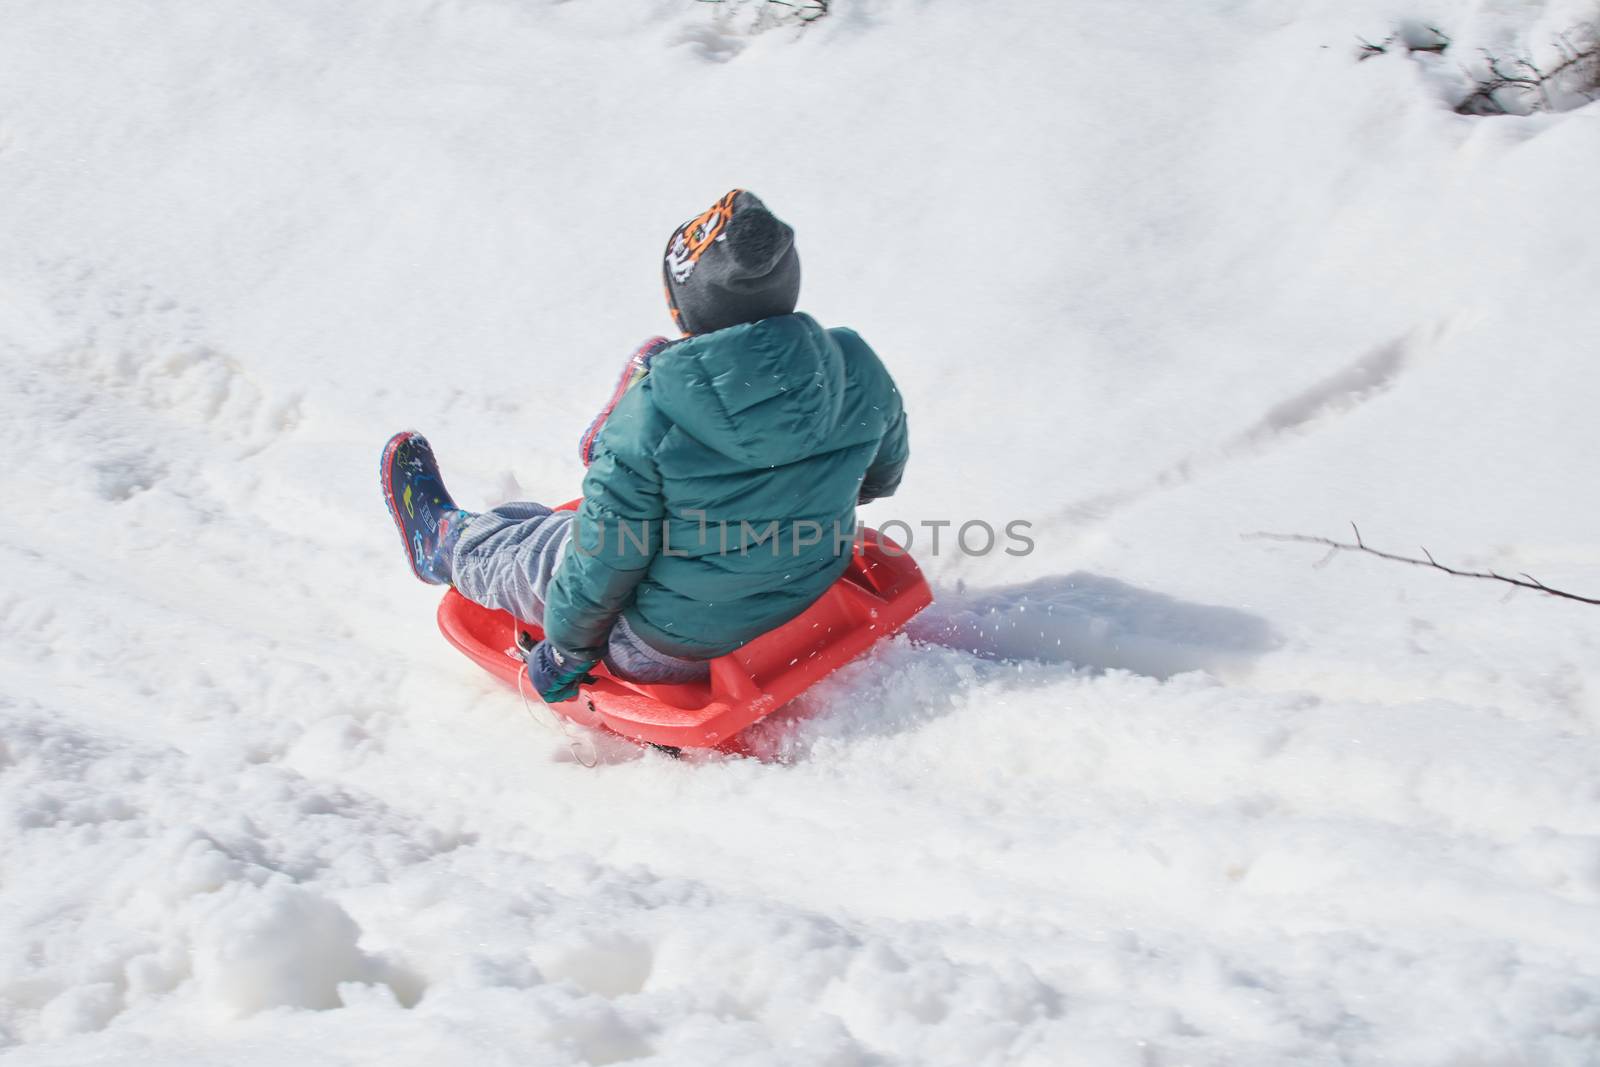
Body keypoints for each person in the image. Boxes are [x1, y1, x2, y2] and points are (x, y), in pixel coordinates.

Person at [380, 189, 908, 703]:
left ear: (685, 311)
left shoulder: (656, 416)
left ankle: (447, 543)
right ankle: (616, 458)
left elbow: (603, 562)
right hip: (808, 588)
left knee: (542, 551)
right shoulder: (854, 362)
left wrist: (565, 653)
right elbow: (881, 478)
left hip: (667, 646)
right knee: (603, 505)